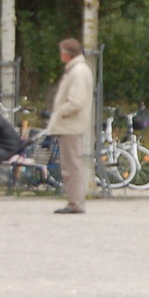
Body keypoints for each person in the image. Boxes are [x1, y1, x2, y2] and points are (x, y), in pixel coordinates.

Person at [43, 38, 94, 214]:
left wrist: (59, 113)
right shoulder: (78, 70)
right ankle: (75, 201)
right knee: (71, 165)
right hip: (70, 125)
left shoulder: (78, 72)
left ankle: (75, 203)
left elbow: (76, 101)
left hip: (70, 126)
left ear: (66, 54)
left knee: (71, 166)